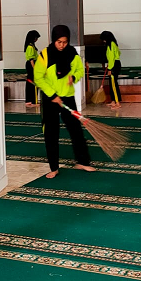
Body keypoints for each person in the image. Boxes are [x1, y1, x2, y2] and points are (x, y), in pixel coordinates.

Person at [33, 25, 96, 178]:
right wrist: (52, 95)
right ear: (54, 40)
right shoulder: (44, 55)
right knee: (51, 133)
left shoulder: (72, 54)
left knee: (76, 130)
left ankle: (83, 162)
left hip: (67, 97)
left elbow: (80, 70)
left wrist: (73, 77)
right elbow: (38, 78)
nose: (62, 45)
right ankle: (54, 168)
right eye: (59, 42)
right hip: (51, 99)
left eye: (65, 42)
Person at [100, 31, 122, 109]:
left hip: (114, 66)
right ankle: (113, 101)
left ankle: (117, 103)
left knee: (113, 84)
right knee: (112, 83)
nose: (103, 41)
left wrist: (110, 69)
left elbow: (112, 58)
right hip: (115, 64)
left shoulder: (110, 45)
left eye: (104, 39)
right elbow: (118, 53)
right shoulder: (114, 44)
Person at [23, 30, 40, 108]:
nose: (36, 39)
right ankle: (31, 101)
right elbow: (31, 59)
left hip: (33, 64)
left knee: (32, 82)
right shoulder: (30, 47)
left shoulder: (32, 46)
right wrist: (35, 68)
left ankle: (30, 101)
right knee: (32, 83)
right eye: (36, 37)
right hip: (31, 65)